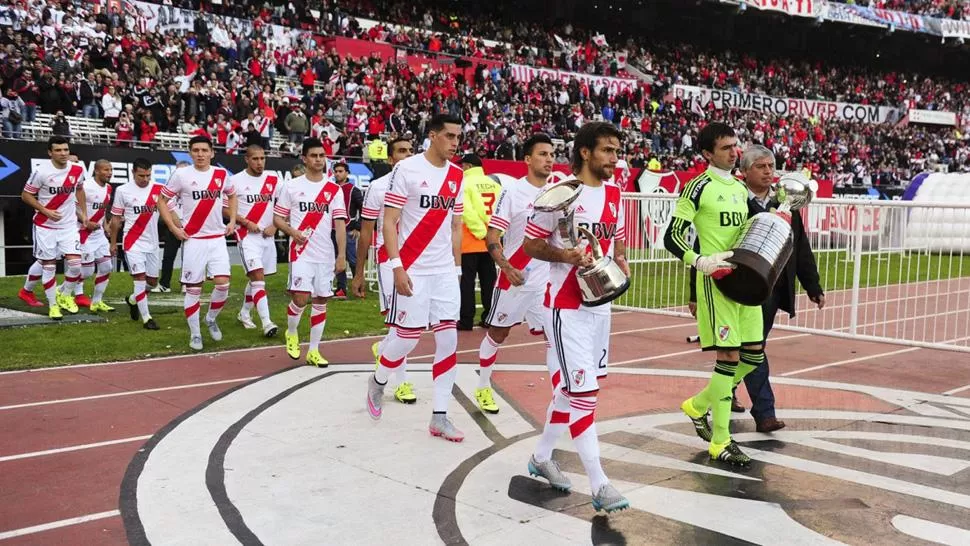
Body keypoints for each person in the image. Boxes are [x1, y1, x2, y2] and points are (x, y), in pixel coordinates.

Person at [523, 121, 631, 513]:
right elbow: (531, 243)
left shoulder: (616, 195)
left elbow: (616, 245)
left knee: (572, 392)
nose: (614, 159)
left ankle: (541, 457)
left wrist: (622, 264)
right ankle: (600, 484)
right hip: (565, 307)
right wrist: (564, 255)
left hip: (600, 306)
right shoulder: (561, 193)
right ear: (585, 152)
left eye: (617, 151)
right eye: (607, 150)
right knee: (583, 394)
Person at [688, 145, 825, 433]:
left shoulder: (786, 203)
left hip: (772, 289)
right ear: (745, 171)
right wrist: (693, 293)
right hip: (737, 284)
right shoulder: (733, 200)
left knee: (749, 350)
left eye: (771, 166)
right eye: (761, 166)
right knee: (753, 350)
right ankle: (764, 412)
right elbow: (705, 246)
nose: (768, 172)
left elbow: (799, 247)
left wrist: (813, 286)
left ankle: (719, 393)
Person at [663, 121, 763, 467]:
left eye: (736, 146)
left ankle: (699, 404)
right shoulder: (697, 187)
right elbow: (672, 236)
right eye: (726, 147)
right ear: (707, 153)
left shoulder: (738, 187)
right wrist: (700, 261)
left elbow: (758, 222)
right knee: (729, 359)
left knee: (754, 356)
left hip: (745, 284)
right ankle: (720, 441)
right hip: (716, 283)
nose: (735, 152)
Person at [365, 114, 466, 442]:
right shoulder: (406, 170)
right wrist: (396, 266)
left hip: (444, 273)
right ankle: (379, 380)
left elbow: (455, 226)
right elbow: (389, 221)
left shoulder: (457, 176)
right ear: (433, 136)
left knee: (449, 339)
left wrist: (457, 269)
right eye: (449, 136)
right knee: (407, 339)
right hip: (412, 269)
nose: (454, 143)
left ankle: (439, 416)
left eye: (458, 137)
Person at [473, 134, 554, 414]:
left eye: (552, 154)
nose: (549, 159)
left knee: (554, 335)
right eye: (542, 154)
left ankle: (561, 396)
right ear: (528, 159)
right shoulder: (513, 192)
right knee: (498, 332)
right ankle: (483, 385)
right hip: (515, 276)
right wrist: (507, 267)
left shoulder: (557, 191)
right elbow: (492, 235)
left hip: (547, 280)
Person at [352, 136, 417, 404]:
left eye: (411, 151)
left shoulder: (423, 185)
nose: (407, 155)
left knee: (412, 322)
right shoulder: (377, 188)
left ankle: (383, 349)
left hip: (418, 261)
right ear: (391, 159)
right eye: (401, 151)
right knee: (401, 322)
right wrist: (358, 274)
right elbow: (366, 233)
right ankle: (400, 383)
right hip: (388, 261)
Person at [158, 136, 237, 351]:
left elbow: (232, 195)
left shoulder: (221, 174)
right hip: (194, 240)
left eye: (204, 150)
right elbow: (161, 201)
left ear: (212, 152)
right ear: (190, 153)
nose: (200, 154)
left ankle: (211, 318)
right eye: (195, 150)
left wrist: (231, 220)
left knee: (223, 284)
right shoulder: (181, 175)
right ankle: (195, 334)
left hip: (217, 239)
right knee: (194, 289)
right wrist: (174, 228)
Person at [273, 138, 348, 367]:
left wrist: (341, 255)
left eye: (322, 156)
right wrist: (292, 232)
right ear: (304, 159)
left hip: (325, 254)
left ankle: (314, 350)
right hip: (301, 252)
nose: (318, 160)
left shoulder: (334, 190)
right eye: (314, 156)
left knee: (322, 299)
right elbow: (277, 218)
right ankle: (292, 332)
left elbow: (340, 224)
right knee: (301, 298)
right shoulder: (292, 186)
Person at [19, 136, 88, 320]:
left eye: (65, 149)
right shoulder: (41, 172)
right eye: (58, 150)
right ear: (50, 152)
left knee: (75, 266)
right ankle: (53, 306)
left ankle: (64, 294)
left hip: (68, 226)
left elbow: (80, 189)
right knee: (48, 266)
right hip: (45, 226)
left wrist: (84, 213)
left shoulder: (77, 169)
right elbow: (25, 195)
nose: (63, 153)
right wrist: (45, 210)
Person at [109, 157, 169, 330]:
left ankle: (133, 299)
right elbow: (116, 219)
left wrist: (179, 227)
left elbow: (169, 211)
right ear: (133, 172)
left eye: (148, 175)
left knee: (152, 282)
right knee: (140, 279)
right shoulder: (122, 190)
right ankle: (147, 318)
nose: (145, 179)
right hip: (132, 241)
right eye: (141, 175)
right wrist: (113, 243)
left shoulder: (158, 189)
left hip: (152, 242)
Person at [230, 144, 281, 338]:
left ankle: (244, 313)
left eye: (262, 158)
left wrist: (275, 226)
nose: (259, 163)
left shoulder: (273, 180)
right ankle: (267, 322)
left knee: (257, 280)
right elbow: (225, 208)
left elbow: (284, 206)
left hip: (267, 237)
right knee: (258, 278)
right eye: (255, 159)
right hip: (246, 237)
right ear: (247, 159)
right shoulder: (235, 181)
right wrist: (244, 221)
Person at [458, 154, 502, 330]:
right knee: (489, 280)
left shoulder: (464, 184)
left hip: (470, 240)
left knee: (467, 282)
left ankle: (466, 319)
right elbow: (501, 210)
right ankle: (489, 317)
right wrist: (494, 234)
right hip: (492, 240)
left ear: (467, 166)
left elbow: (466, 212)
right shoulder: (494, 184)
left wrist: (480, 233)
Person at [72, 159, 115, 312]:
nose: (109, 173)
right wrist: (85, 221)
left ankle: (96, 301)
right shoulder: (85, 186)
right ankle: (64, 291)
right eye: (106, 170)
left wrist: (105, 226)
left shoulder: (109, 188)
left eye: (110, 170)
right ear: (96, 171)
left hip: (99, 235)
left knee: (106, 267)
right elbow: (73, 208)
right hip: (83, 233)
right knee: (87, 271)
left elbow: (102, 211)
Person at [155, 160, 191, 293]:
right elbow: (166, 206)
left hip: (191, 226)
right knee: (168, 256)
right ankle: (164, 284)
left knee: (189, 257)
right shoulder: (169, 187)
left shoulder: (195, 186)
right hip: (173, 226)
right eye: (178, 171)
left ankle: (186, 283)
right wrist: (176, 225)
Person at [332, 161, 363, 300]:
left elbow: (364, 209)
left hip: (348, 229)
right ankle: (341, 289)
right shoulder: (330, 188)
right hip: (332, 229)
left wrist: (357, 226)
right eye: (336, 171)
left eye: (340, 171)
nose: (338, 174)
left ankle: (360, 286)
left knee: (352, 260)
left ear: (347, 173)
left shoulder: (353, 190)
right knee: (338, 259)